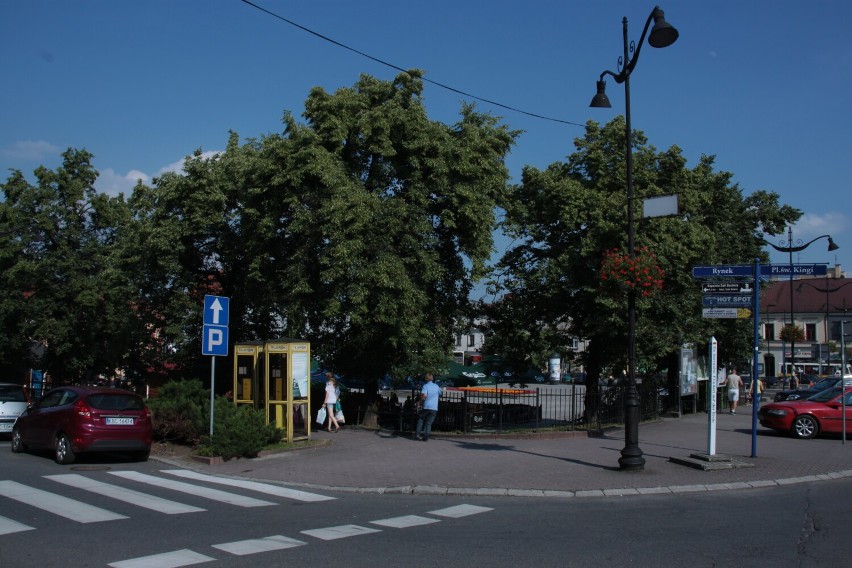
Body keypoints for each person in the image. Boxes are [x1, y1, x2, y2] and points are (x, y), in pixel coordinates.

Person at [414, 373, 442, 441]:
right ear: (432, 379)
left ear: (426, 379)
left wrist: (419, 402)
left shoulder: (425, 386)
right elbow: (440, 394)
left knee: (421, 419)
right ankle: (426, 437)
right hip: (434, 407)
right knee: (429, 423)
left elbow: (424, 396)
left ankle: (417, 435)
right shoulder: (437, 386)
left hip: (426, 406)